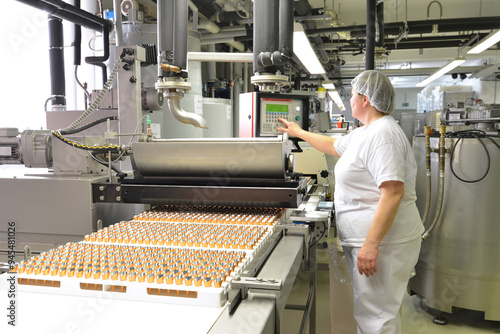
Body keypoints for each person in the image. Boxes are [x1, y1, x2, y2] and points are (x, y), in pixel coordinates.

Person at [278, 70, 424, 334]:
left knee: (377, 317)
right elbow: (334, 146)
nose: (350, 100)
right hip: (370, 239)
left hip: (385, 242)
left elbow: (393, 192)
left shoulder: (384, 136)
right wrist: (299, 132)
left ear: (365, 99)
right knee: (372, 311)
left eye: (353, 95)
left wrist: (370, 245)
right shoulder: (366, 132)